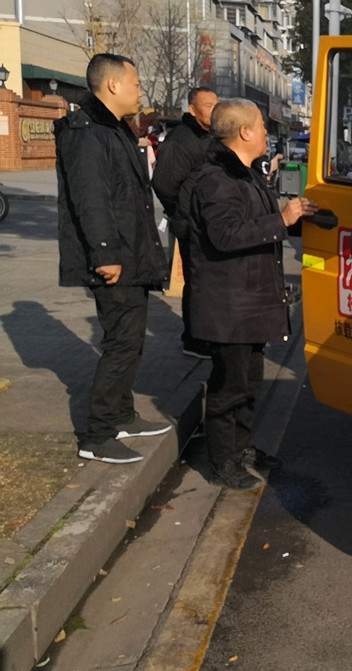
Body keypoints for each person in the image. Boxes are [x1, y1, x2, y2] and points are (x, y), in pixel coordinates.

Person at [186, 99, 317, 490]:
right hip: (230, 306)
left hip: (251, 302)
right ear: (244, 132)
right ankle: (222, 462)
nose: (265, 132)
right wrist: (282, 219)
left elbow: (257, 224)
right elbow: (226, 235)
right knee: (229, 387)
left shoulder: (245, 174)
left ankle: (242, 449)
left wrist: (295, 220)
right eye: (261, 126)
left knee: (249, 383)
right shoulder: (216, 179)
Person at [55, 53, 172, 464]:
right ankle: (98, 435)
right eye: (136, 83)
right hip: (114, 257)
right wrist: (104, 253)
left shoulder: (115, 128)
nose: (141, 91)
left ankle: (122, 415)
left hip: (131, 252)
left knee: (131, 340)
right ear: (112, 85)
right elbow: (91, 199)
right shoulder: (87, 132)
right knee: (121, 343)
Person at [152, 86, 219, 359]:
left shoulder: (212, 136)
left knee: (210, 282)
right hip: (191, 224)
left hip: (210, 222)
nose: (214, 110)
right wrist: (181, 211)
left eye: (216, 105)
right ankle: (195, 340)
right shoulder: (181, 139)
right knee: (198, 283)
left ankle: (209, 334)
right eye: (208, 106)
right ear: (192, 110)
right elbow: (163, 184)